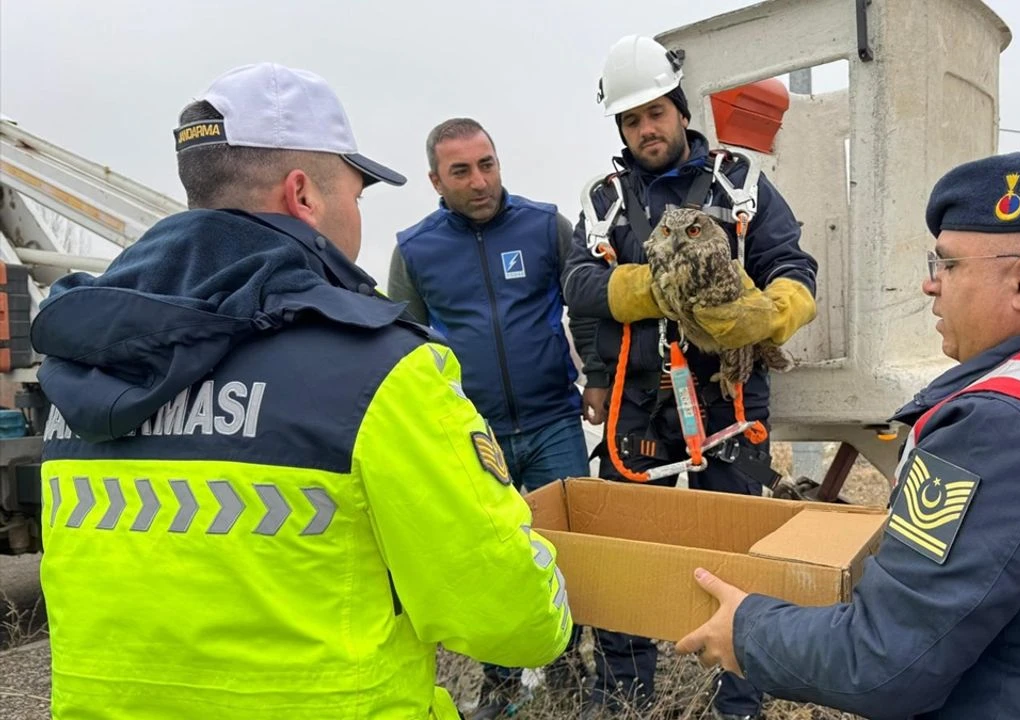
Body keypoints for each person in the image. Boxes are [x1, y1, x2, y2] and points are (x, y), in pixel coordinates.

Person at [31, 63, 571, 720]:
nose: (358, 216)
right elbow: (509, 617)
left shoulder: (82, 364)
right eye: (357, 195)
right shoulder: (381, 369)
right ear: (303, 196)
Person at [676, 152, 1020, 719]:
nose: (930, 285)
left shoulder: (1002, 426)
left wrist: (747, 629)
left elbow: (881, 665)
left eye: (946, 264)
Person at [562, 35, 818, 720]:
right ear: (620, 127)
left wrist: (772, 313)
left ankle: (740, 696)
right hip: (639, 400)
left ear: (680, 109)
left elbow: (793, 263)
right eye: (631, 120)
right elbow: (581, 283)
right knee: (624, 550)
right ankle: (624, 691)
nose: (647, 129)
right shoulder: (606, 201)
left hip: (727, 396)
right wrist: (657, 289)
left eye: (656, 113)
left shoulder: (741, 182)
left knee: (736, 547)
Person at [389, 117, 596, 717]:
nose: (480, 181)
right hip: (473, 433)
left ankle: (567, 674)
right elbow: (403, 344)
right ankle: (501, 688)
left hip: (555, 417)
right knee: (488, 556)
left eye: (488, 164)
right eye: (461, 171)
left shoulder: (544, 226)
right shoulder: (415, 249)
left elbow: (584, 307)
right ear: (436, 180)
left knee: (565, 548)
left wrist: (599, 380)